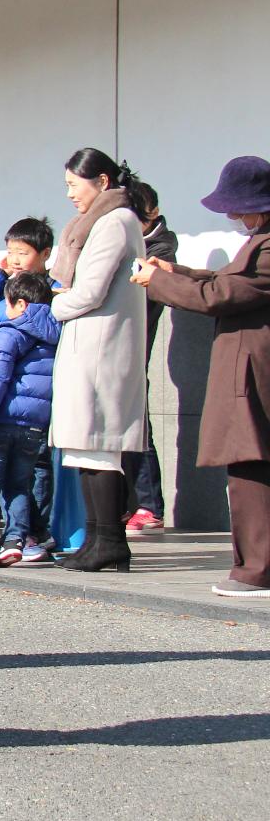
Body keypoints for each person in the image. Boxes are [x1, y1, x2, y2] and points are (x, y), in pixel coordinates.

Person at [133, 155, 270, 596]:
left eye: (236, 208)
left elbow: (223, 293)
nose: (232, 217)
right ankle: (253, 566)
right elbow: (225, 279)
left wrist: (159, 281)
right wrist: (179, 272)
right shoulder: (261, 242)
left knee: (250, 468)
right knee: (247, 465)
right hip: (246, 369)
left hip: (253, 372)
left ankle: (256, 569)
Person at [48, 148, 148, 571]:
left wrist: (55, 304)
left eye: (75, 184)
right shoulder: (100, 222)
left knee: (100, 445)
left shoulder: (116, 222)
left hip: (103, 347)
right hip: (90, 344)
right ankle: (96, 539)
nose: (70, 193)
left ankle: (110, 540)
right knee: (83, 446)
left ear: (103, 181)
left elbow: (89, 292)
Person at [0, 270, 61, 567]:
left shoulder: (7, 331)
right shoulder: (55, 335)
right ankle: (15, 541)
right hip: (34, 425)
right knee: (19, 484)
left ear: (19, 304)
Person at [124, 180, 178, 535]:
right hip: (122, 343)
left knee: (138, 424)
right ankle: (132, 503)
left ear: (152, 214)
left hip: (134, 346)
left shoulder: (160, 248)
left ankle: (149, 505)